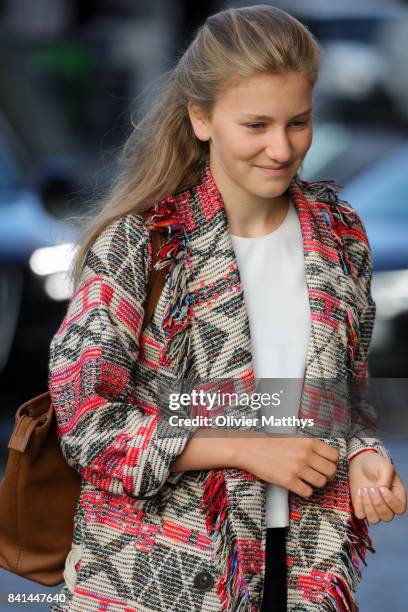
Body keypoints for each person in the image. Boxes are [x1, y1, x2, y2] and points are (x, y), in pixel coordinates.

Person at [48, 5, 407, 611]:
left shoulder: (339, 233)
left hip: (306, 573)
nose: (282, 147)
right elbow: (88, 428)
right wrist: (245, 446)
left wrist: (363, 456)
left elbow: (336, 400)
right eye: (257, 124)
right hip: (156, 579)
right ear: (202, 117)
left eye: (299, 122)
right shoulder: (141, 245)